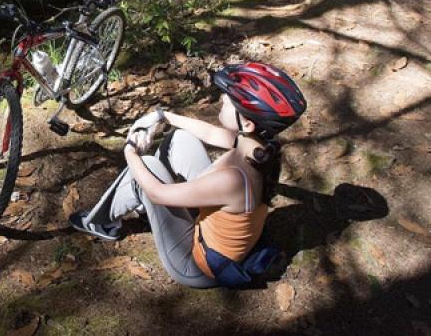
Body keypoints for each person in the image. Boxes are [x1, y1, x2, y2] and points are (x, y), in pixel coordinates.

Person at [69, 62, 307, 288]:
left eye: (230, 100)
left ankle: (100, 223)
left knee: (146, 167)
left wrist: (130, 151)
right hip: (209, 224)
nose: (222, 99)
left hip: (196, 264)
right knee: (181, 137)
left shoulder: (234, 179)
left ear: (247, 124)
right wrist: (165, 116)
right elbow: (212, 134)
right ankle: (148, 208)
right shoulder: (260, 148)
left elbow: (158, 193)